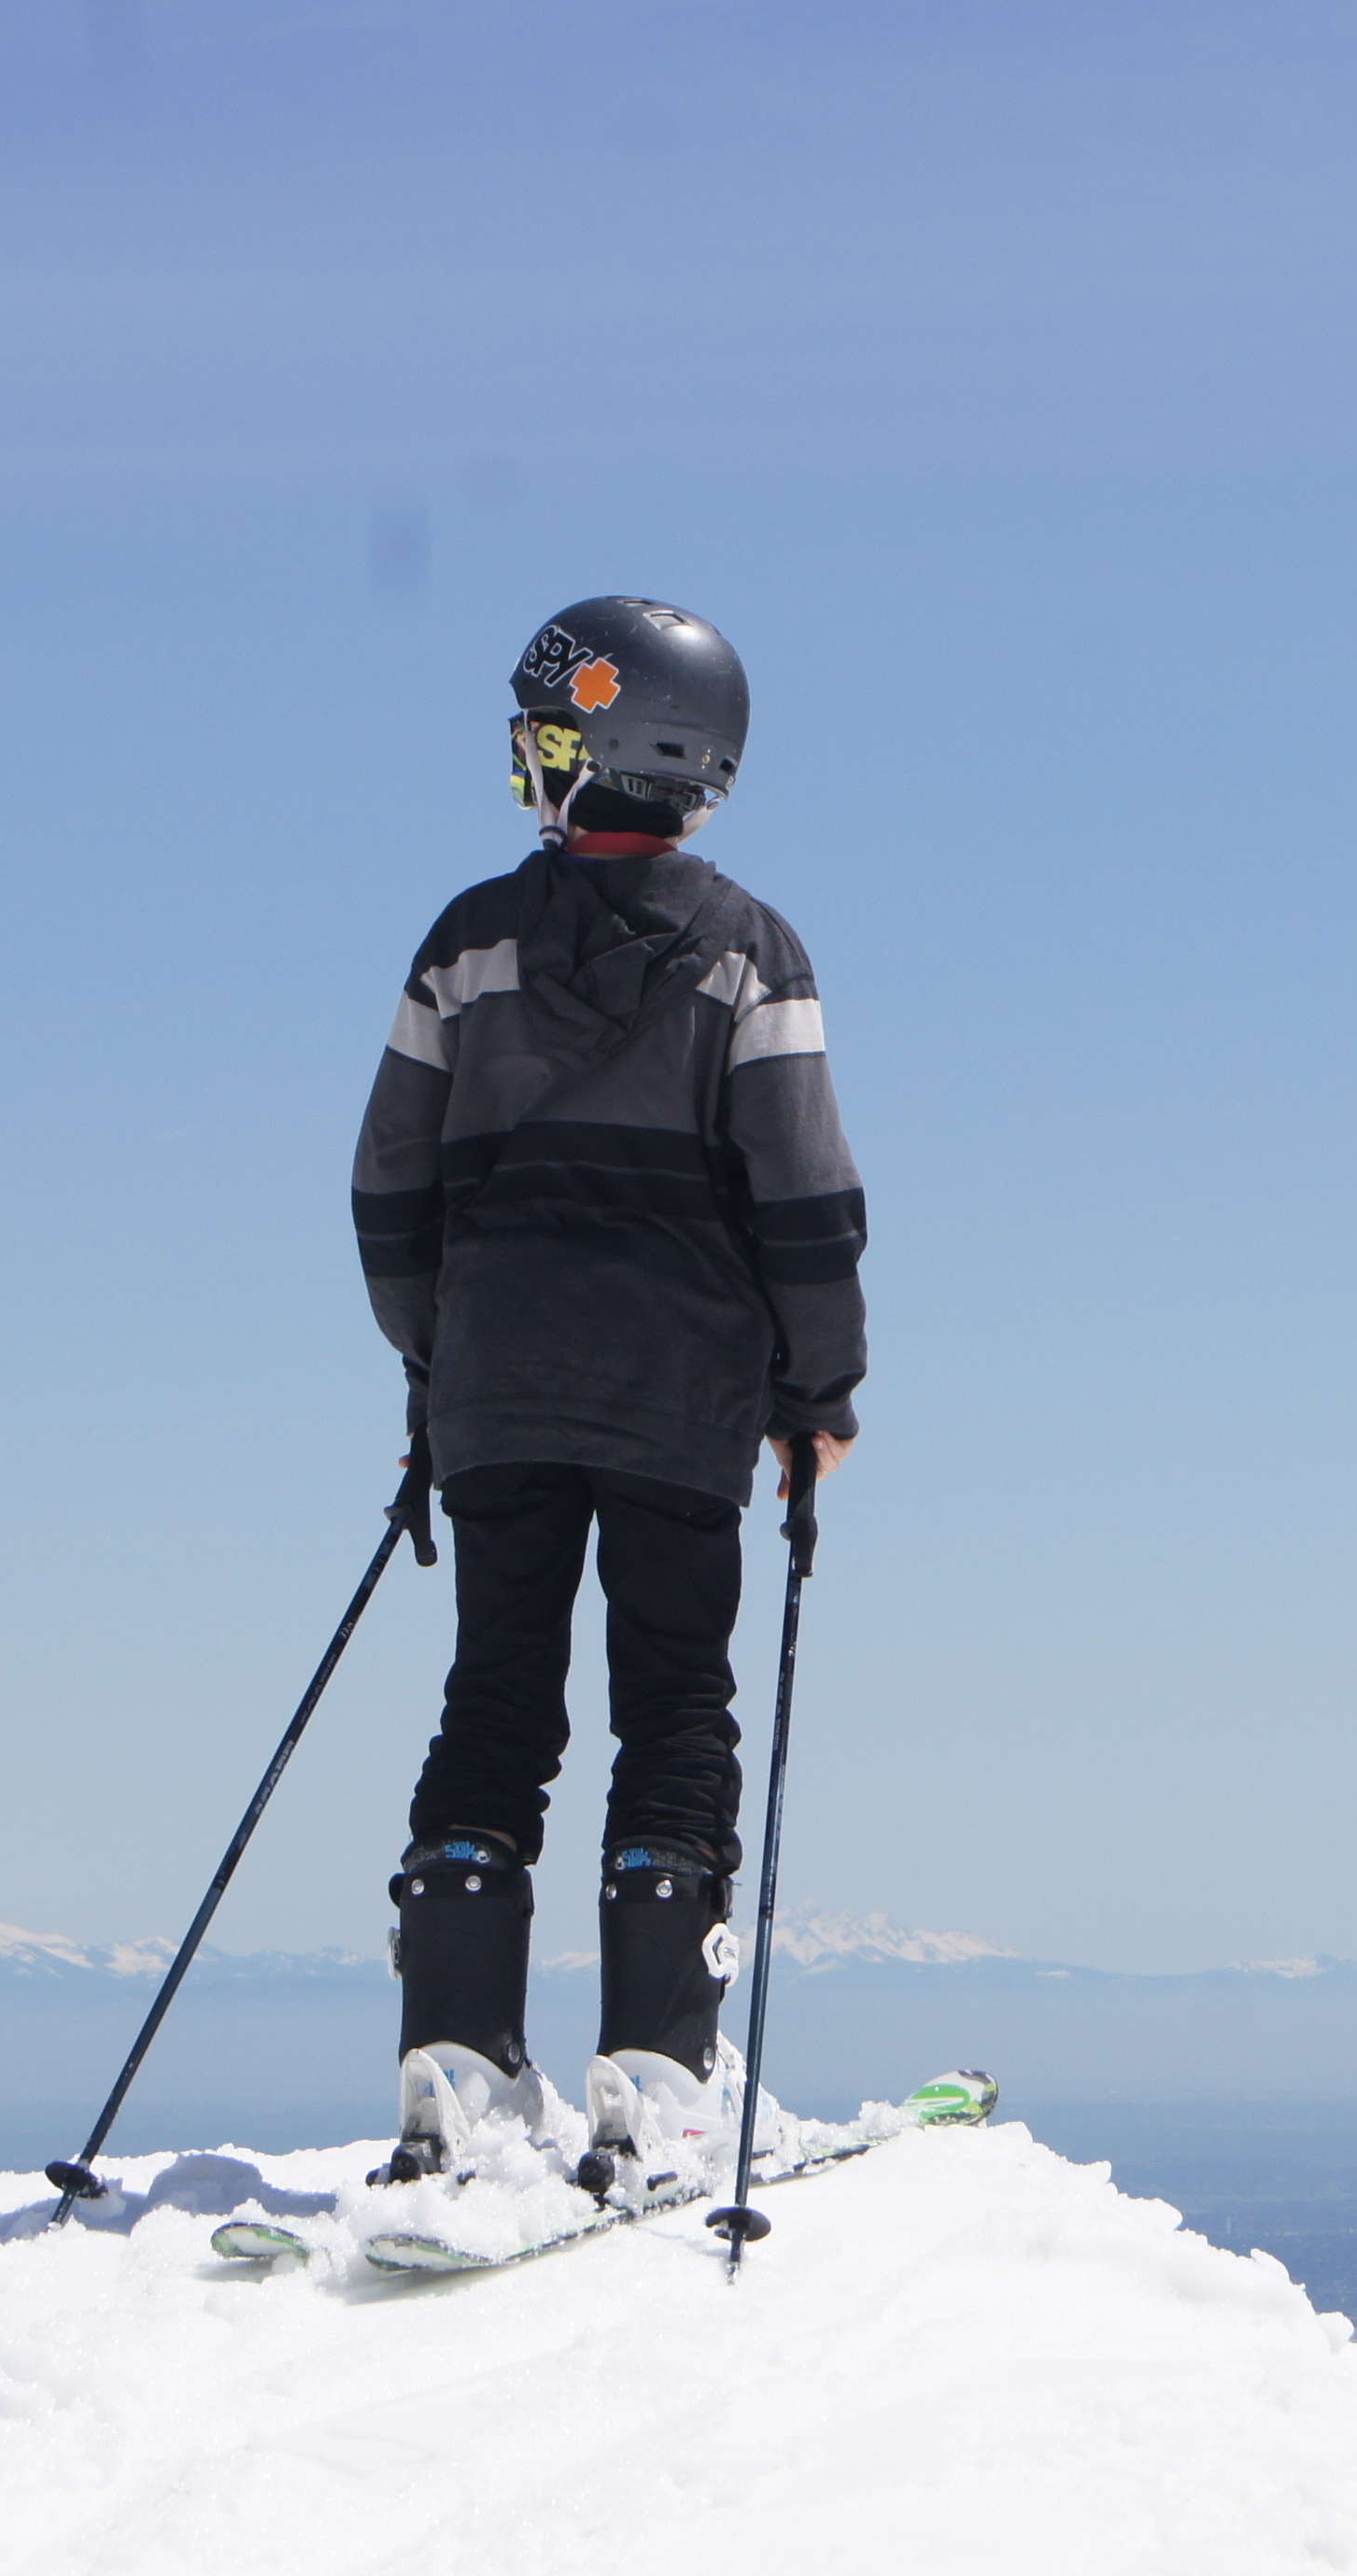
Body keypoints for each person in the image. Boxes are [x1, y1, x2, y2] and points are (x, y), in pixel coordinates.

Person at [347, 596, 863, 2190]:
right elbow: (805, 1195)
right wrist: (817, 1388)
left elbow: (387, 1188)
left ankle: (458, 2070)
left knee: (495, 1701)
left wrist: (439, 1368)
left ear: (586, 756)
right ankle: (658, 2077)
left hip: (494, 1396)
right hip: (678, 1400)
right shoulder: (749, 953)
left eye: (544, 742)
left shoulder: (464, 943)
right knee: (674, 1705)